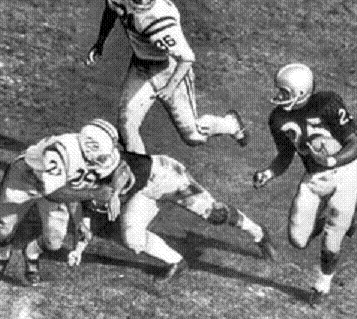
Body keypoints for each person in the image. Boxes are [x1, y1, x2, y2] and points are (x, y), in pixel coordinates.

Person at [46, 119, 277, 282]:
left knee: (215, 214)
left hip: (166, 177)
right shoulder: (80, 165)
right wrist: (79, 248)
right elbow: (88, 214)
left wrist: (114, 193)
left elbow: (123, 171)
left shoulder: (109, 161)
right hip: (143, 193)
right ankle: (176, 262)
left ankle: (258, 232)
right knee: (133, 239)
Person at [85, 0, 249, 154]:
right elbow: (110, 10)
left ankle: (230, 124)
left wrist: (170, 87)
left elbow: (187, 58)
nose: (141, 4)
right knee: (127, 127)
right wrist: (100, 41)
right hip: (140, 66)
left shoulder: (161, 19)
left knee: (193, 136)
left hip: (169, 69)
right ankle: (141, 177)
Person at [253, 63, 357, 305]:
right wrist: (268, 173)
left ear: (301, 92)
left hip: (344, 171)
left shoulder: (327, 104)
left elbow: (356, 144)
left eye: (285, 92)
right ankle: (338, 221)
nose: (280, 96)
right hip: (314, 177)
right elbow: (285, 155)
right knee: (297, 240)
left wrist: (331, 159)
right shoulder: (278, 118)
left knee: (333, 236)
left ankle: (322, 284)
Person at [0, 119, 123, 285]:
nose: (104, 161)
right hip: (26, 178)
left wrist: (80, 222)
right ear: (89, 147)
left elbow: (122, 169)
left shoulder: (101, 154)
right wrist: (95, 193)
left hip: (60, 186)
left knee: (53, 242)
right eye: (102, 157)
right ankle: (3, 253)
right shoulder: (61, 150)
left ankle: (30, 253)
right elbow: (53, 193)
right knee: (2, 230)